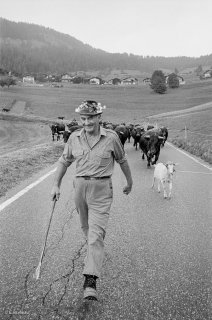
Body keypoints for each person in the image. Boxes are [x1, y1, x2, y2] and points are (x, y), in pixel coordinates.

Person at [51, 100, 133, 301]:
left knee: (96, 235)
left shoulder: (112, 138)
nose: (87, 122)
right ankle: (93, 254)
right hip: (79, 189)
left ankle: (90, 280)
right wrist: (56, 184)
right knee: (87, 229)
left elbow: (122, 160)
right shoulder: (74, 138)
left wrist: (129, 182)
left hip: (102, 189)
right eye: (84, 118)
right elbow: (64, 161)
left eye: (91, 118)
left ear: (99, 118)